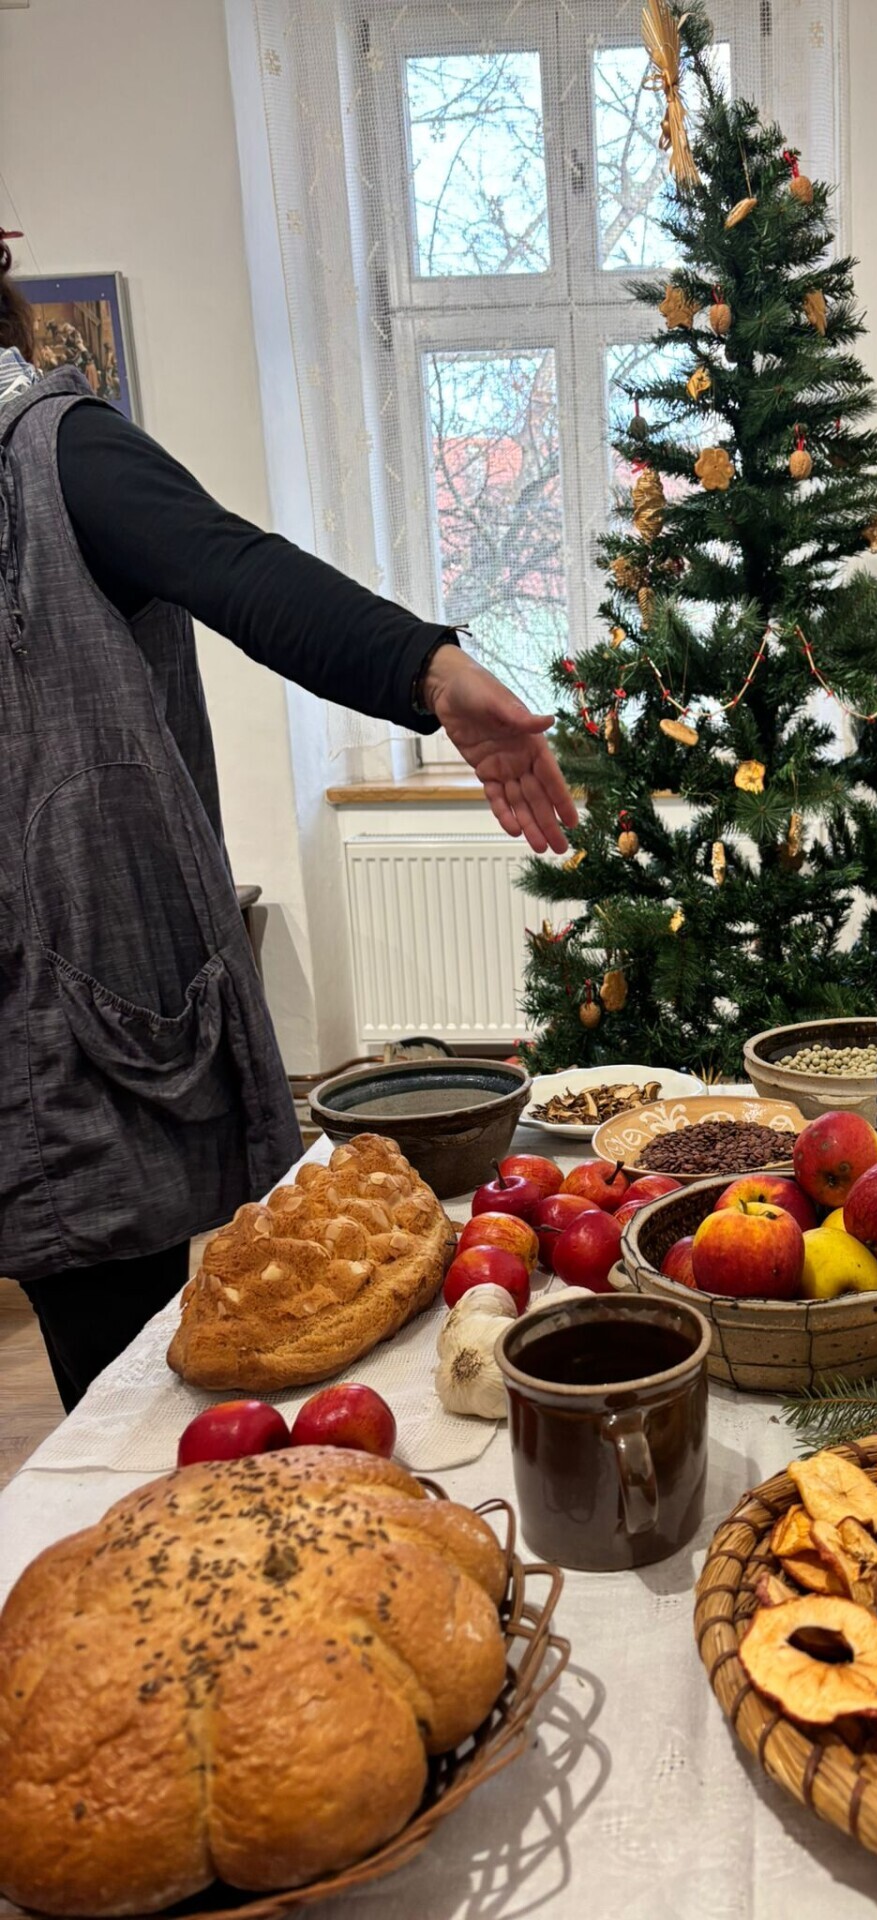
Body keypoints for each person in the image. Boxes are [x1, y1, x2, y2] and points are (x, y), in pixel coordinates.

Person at [0, 244, 579, 1410]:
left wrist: (428, 669)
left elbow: (235, 568)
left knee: (128, 1379)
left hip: (73, 1027)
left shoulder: (57, 453)